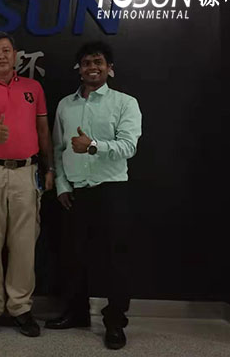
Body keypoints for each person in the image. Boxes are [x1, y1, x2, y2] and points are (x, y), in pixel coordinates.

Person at [45, 40, 142, 350]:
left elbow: (129, 146)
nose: (92, 67)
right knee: (73, 256)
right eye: (87, 63)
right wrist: (62, 185)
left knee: (116, 260)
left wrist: (93, 146)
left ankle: (115, 321)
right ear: (80, 69)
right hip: (76, 192)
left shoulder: (125, 103)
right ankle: (76, 313)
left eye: (98, 62)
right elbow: (58, 148)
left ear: (109, 68)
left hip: (112, 190)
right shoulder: (65, 105)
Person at [0, 31, 54, 338]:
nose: (1, 55)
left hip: (26, 172)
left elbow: (43, 129)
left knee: (24, 242)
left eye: (6, 50)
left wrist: (49, 167)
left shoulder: (33, 88)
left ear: (15, 55)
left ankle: (20, 307)